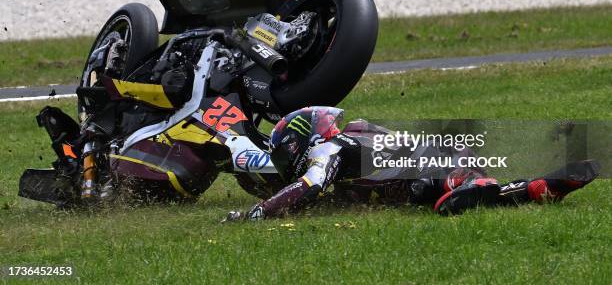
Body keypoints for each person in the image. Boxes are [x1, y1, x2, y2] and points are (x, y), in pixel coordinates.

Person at [224, 107, 600, 221]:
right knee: (457, 200)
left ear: (299, 141)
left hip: (437, 166)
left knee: (450, 196)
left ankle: (475, 187)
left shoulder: (331, 148)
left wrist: (257, 212)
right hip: (439, 164)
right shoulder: (355, 134)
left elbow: (310, 185)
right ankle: (539, 187)